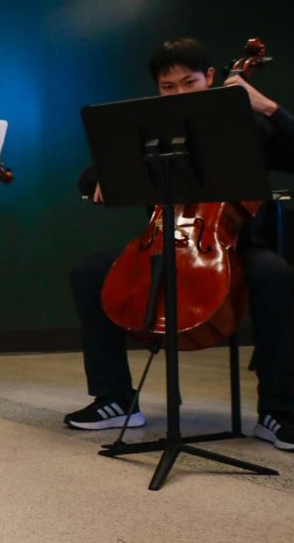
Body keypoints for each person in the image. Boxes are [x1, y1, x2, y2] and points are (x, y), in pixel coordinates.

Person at [65, 37, 294, 452]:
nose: (179, 95)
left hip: (238, 245)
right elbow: (88, 177)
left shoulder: (252, 124)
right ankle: (115, 398)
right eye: (168, 88)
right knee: (88, 272)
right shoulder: (152, 129)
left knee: (275, 275)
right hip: (166, 240)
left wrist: (267, 106)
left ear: (210, 78)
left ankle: (278, 410)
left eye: (188, 83)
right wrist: (105, 178)